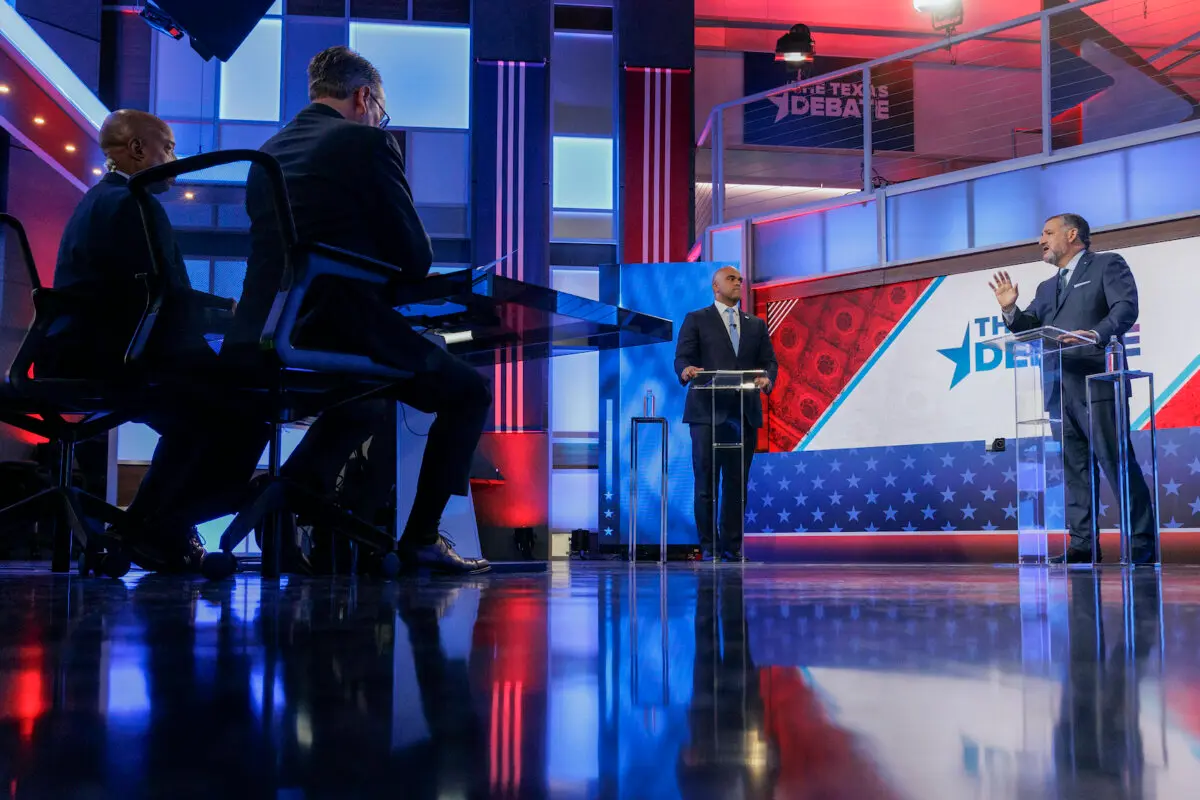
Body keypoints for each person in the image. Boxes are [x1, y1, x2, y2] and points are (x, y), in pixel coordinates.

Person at [240, 45, 491, 575]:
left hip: (265, 326)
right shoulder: (364, 140)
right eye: (381, 110)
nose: (379, 118)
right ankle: (422, 538)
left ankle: (289, 489)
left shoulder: (268, 151)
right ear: (364, 97)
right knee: (469, 391)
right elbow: (416, 258)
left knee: (364, 403)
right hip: (338, 322)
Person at [49, 109, 268, 572]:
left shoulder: (99, 199)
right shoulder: (135, 201)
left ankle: (153, 528)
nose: (174, 156)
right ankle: (161, 525)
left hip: (81, 352)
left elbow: (148, 293)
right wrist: (234, 318)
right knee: (248, 407)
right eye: (167, 147)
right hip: (119, 356)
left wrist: (216, 312)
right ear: (137, 150)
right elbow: (162, 298)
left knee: (199, 416)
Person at [989, 213, 1155, 564]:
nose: (1040, 239)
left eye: (1048, 232)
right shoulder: (1046, 288)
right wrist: (1010, 309)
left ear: (1073, 234)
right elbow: (1028, 328)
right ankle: (1083, 546)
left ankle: (1141, 545)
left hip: (1098, 384)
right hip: (1058, 389)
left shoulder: (1107, 265)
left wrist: (1095, 334)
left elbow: (1125, 308)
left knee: (1117, 463)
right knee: (1075, 470)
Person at [674, 267, 778, 562]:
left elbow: (769, 362)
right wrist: (686, 370)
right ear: (715, 286)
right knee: (706, 483)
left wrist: (767, 379)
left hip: (743, 413)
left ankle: (732, 547)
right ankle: (709, 547)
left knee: (736, 485)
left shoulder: (756, 325)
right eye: (732, 279)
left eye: (740, 279)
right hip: (707, 413)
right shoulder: (696, 319)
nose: (738, 283)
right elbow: (683, 357)